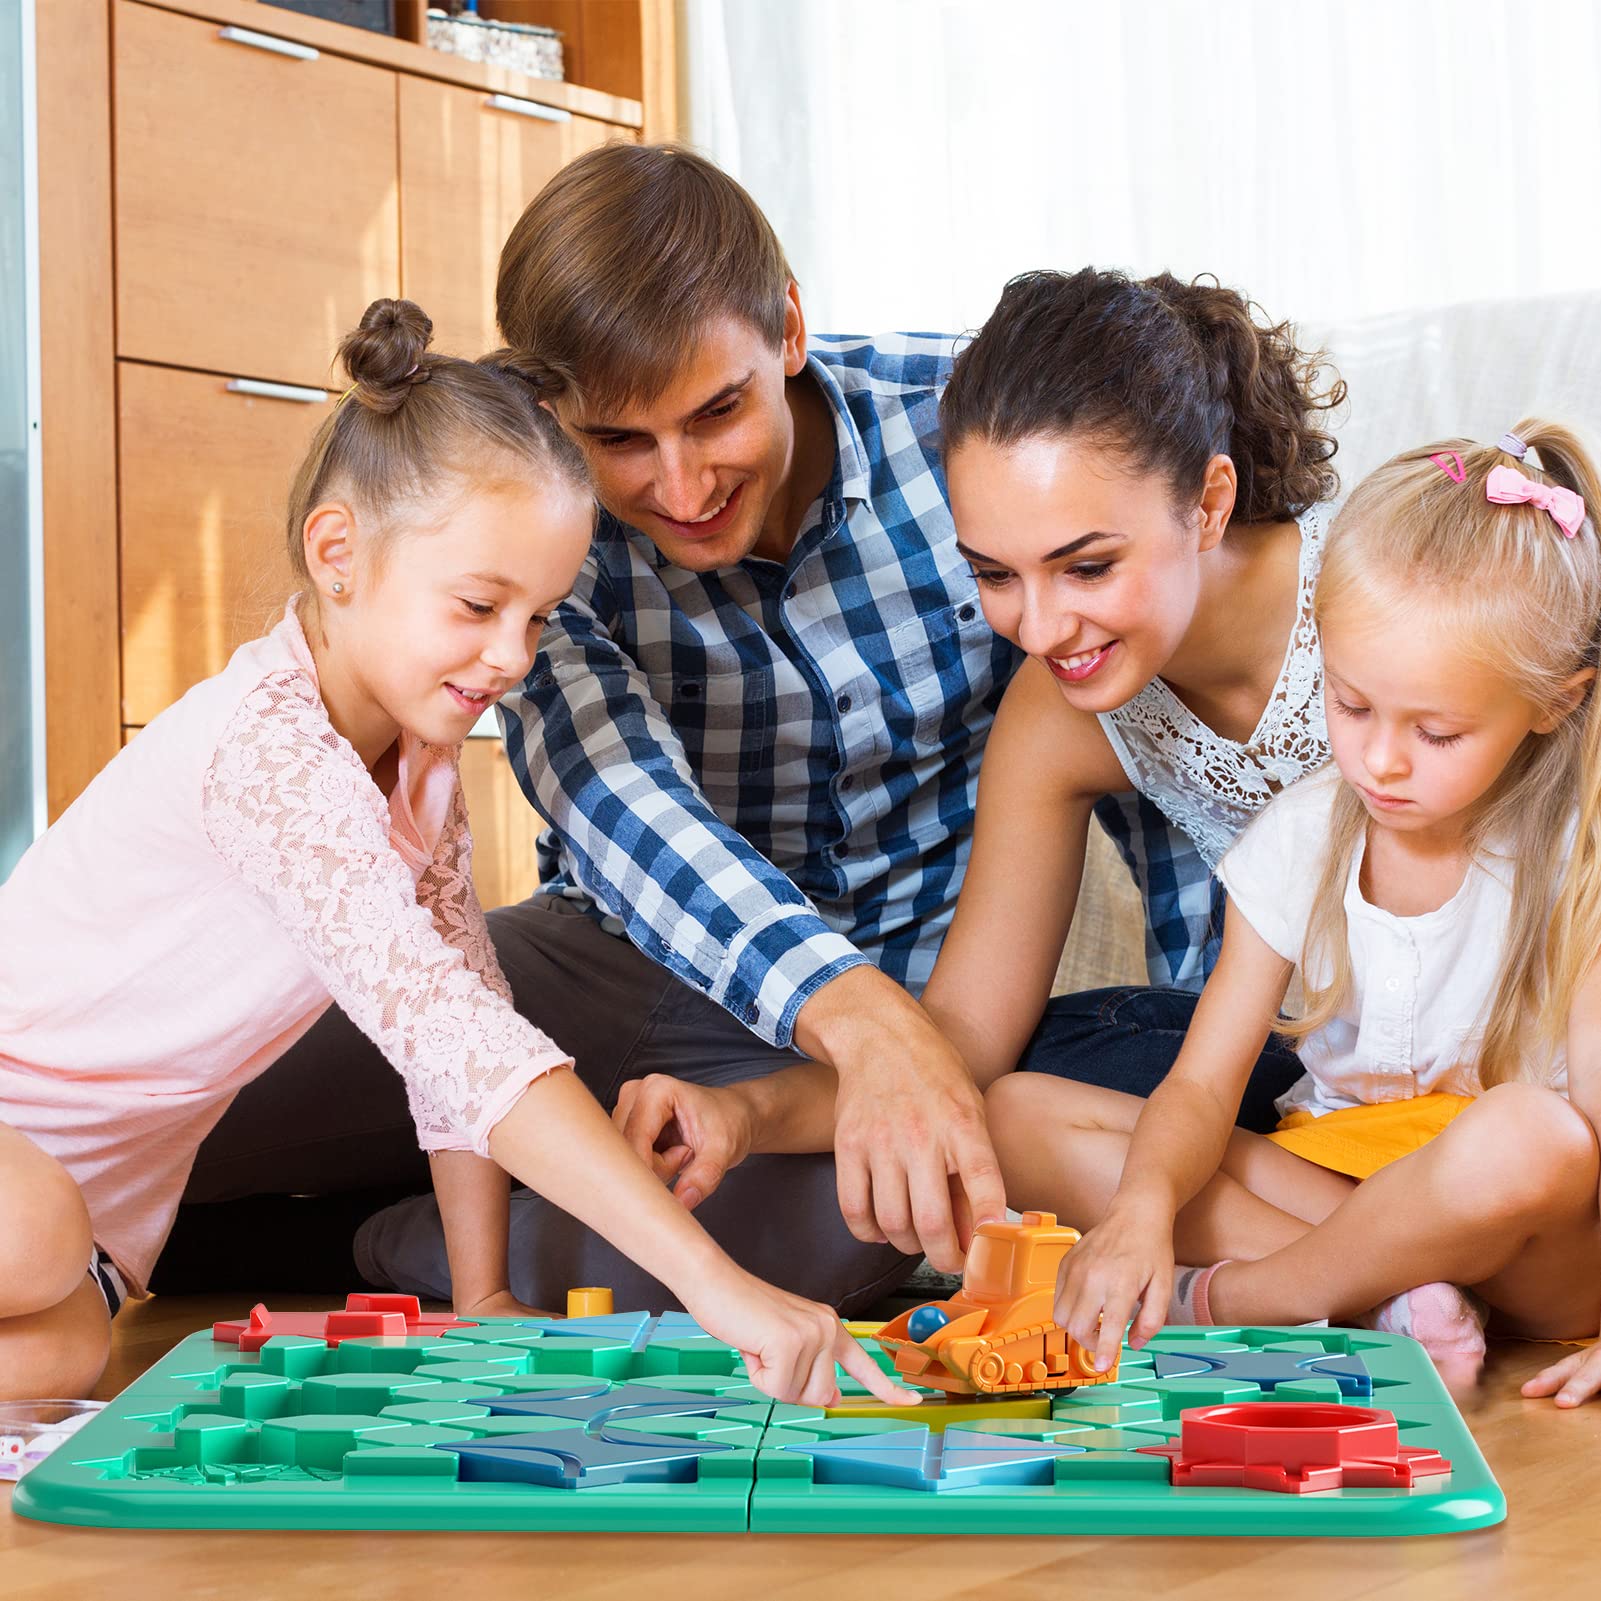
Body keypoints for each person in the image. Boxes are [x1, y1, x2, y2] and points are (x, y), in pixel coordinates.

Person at [0, 298, 911, 1413]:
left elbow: (460, 1044)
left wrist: (478, 1294)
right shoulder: (269, 754)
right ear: (338, 554)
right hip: (27, 1183)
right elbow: (461, 1043)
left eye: (537, 617)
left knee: (57, 1360)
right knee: (37, 1230)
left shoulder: (418, 771)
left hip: (87, 1218)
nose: (510, 655)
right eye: (479, 605)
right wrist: (721, 1290)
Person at [179, 143, 1023, 1309]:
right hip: (611, 956)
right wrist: (859, 1012)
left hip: (836, 1022)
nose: (680, 487)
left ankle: (384, 1245)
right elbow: (617, 797)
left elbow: (1141, 692)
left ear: (785, 327)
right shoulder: (532, 519)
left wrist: (886, 1030)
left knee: (873, 1226)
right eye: (620, 441)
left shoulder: (971, 427)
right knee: (189, 1089)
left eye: (716, 412)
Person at [610, 267, 1346, 1216]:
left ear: (1208, 503)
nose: (1040, 631)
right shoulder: (1057, 712)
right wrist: (740, 1114)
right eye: (995, 575)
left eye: (1087, 566)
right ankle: (1383, 1265)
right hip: (1305, 1064)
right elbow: (957, 1044)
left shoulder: (1369, 597)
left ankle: (1362, 1256)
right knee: (1002, 1110)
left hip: (1492, 1056)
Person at [989, 423, 1601, 1399]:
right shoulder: (1304, 831)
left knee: (1532, 1132)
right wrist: (1141, 1210)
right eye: (1350, 705)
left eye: (1434, 730)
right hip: (1334, 1184)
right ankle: (1389, 1299)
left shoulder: (1577, 845)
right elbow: (1198, 1086)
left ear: (1551, 703)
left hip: (1525, 1244)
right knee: (1015, 1115)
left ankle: (1245, 1297)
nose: (1380, 761)